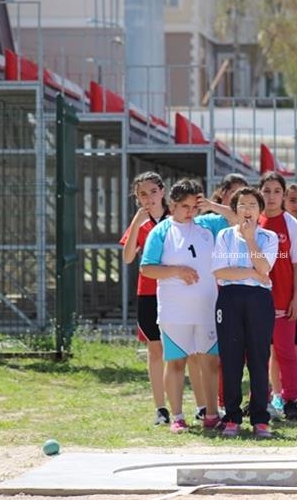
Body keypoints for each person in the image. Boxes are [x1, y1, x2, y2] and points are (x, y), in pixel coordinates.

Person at [140, 178, 232, 433]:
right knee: (176, 362)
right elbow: (147, 268)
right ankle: (178, 416)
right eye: (184, 206)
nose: (190, 212)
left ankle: (211, 414)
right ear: (172, 205)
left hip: (207, 309)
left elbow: (239, 220)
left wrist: (213, 206)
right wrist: (177, 271)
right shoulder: (161, 231)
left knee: (210, 362)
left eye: (194, 206)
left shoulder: (209, 224)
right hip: (174, 311)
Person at [212, 186, 279, 438]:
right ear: (235, 210)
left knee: (259, 358)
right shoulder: (225, 236)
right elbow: (220, 271)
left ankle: (260, 418)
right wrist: (251, 272)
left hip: (259, 300)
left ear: (260, 210)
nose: (247, 209)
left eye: (252, 205)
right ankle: (232, 416)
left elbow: (265, 268)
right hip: (229, 298)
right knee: (231, 358)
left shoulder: (268, 237)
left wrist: (250, 239)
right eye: (242, 205)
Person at [119, 172, 171, 426]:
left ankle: (198, 406)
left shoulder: (176, 218)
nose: (148, 198)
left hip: (176, 291)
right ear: (136, 198)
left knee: (184, 350)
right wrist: (135, 224)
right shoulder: (139, 223)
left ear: (162, 191)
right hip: (148, 293)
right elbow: (128, 257)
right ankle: (161, 408)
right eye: (142, 194)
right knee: (155, 348)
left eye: (153, 191)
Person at [258, 172, 297, 419]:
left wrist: (296, 297)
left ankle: (291, 399)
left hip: (283, 299)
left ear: (283, 195)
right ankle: (260, 399)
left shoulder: (291, 224)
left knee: (286, 352)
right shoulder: (253, 221)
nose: (271, 196)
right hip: (256, 299)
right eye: (266, 191)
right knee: (258, 354)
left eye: (277, 191)